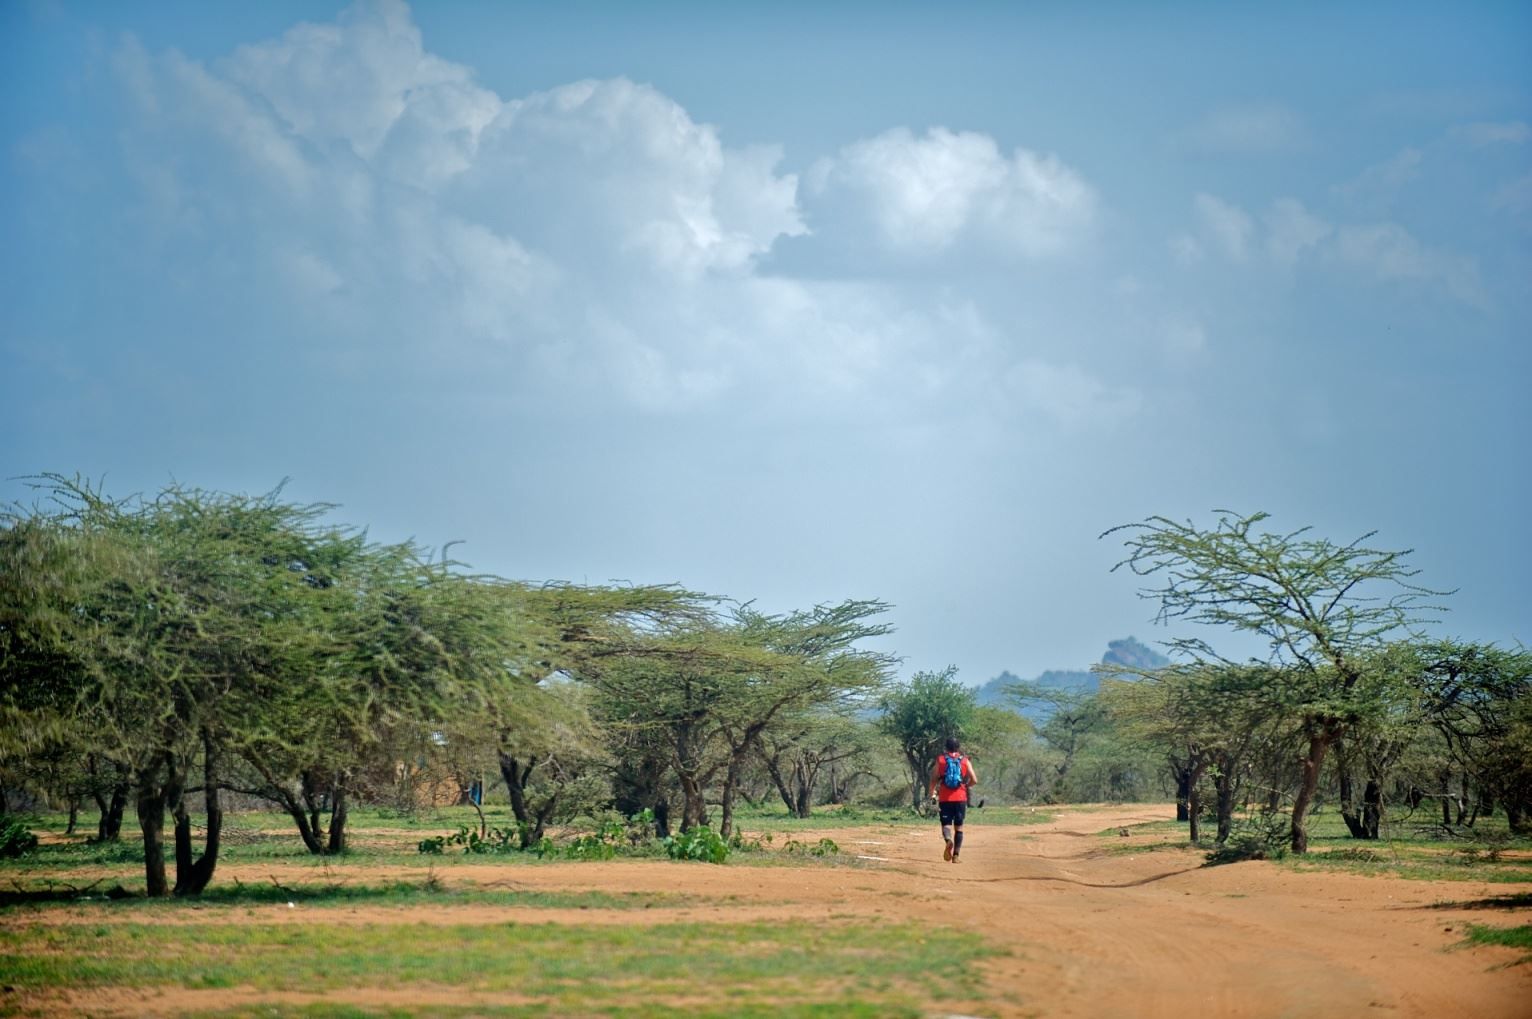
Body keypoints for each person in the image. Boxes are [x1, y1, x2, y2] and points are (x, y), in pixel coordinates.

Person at [929, 736, 977, 863]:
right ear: (958, 747)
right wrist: (966, 786)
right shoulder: (965, 761)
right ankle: (956, 856)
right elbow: (975, 780)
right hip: (960, 797)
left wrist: (932, 793)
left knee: (946, 825)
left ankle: (948, 840)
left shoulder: (941, 760)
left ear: (946, 747)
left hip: (945, 798)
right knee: (959, 827)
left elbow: (934, 778)